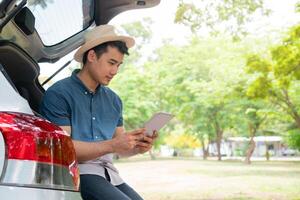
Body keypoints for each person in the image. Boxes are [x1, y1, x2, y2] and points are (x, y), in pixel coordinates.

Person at [40, 25, 157, 200]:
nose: (115, 71)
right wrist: (112, 145)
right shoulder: (59, 94)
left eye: (118, 65)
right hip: (77, 173)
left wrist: (138, 148)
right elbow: (62, 150)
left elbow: (120, 149)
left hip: (109, 174)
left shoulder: (114, 101)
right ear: (92, 56)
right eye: (111, 63)